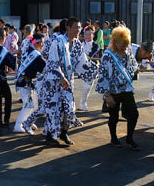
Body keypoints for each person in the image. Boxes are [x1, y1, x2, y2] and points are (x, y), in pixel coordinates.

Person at [35, 18, 83, 146]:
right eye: (76, 27)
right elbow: (48, 58)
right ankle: (50, 135)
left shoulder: (77, 44)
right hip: (54, 81)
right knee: (53, 109)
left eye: (79, 27)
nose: (78, 30)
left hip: (68, 82)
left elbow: (81, 63)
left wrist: (92, 70)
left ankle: (64, 133)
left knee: (69, 108)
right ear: (67, 28)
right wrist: (61, 76)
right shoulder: (54, 40)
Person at [96, 25, 140, 150]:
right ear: (114, 42)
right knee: (113, 116)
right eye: (122, 45)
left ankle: (130, 138)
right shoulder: (107, 56)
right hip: (112, 90)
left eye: (126, 44)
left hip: (126, 88)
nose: (124, 47)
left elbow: (134, 65)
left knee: (134, 113)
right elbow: (103, 77)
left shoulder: (128, 51)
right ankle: (113, 138)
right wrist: (107, 95)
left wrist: (134, 70)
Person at [14, 32, 45, 134]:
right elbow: (44, 66)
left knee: (35, 104)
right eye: (42, 43)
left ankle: (29, 122)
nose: (43, 45)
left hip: (26, 82)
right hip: (25, 82)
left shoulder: (29, 50)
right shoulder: (35, 54)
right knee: (28, 105)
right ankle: (18, 124)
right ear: (37, 43)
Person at [75, 24, 100, 112]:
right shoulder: (80, 44)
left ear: (93, 35)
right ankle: (76, 104)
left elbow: (92, 56)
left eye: (90, 34)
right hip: (80, 67)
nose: (88, 36)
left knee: (87, 87)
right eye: (86, 34)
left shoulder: (96, 46)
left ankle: (83, 103)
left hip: (91, 68)